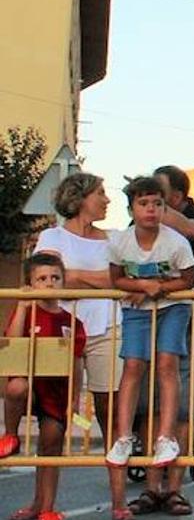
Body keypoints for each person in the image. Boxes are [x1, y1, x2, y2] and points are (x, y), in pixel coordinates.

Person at [105, 176, 194, 520]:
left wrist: (162, 287)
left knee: (167, 365)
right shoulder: (121, 242)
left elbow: (190, 278)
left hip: (172, 307)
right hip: (136, 311)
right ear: (132, 208)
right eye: (144, 204)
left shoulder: (175, 242)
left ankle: (164, 437)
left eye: (158, 204)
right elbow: (116, 278)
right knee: (133, 366)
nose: (151, 210)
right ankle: (125, 436)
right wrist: (142, 285)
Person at [32, 173, 120, 454]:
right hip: (62, 331)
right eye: (101, 193)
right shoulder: (52, 236)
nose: (107, 200)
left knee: (111, 409)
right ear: (80, 198)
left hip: (107, 328)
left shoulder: (114, 239)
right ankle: (44, 497)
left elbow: (119, 279)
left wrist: (76, 274)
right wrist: (97, 278)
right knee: (55, 413)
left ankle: (118, 493)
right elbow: (53, 280)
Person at [146, 164, 194, 512]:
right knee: (154, 406)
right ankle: (151, 486)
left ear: (176, 195)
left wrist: (157, 210)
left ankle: (175, 488)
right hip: (152, 321)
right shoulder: (143, 221)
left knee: (185, 406)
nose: (151, 204)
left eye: (158, 195)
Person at [1, 253, 86, 520]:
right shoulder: (25, 312)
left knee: (51, 443)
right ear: (31, 283)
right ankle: (10, 434)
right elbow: (13, 342)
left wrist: (75, 399)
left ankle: (46, 507)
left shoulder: (71, 321)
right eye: (41, 279)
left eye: (55, 278)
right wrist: (23, 306)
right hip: (29, 385)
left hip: (55, 390)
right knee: (16, 387)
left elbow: (76, 362)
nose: (49, 284)